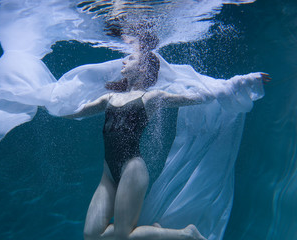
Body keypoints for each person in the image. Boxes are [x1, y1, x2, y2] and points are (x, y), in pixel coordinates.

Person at [64, 46, 270, 240]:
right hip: (108, 173)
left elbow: (199, 96)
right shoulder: (109, 97)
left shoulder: (152, 97)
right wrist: (42, 99)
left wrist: (243, 82)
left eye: (131, 58)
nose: (124, 61)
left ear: (144, 68)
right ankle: (154, 232)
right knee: (91, 235)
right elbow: (74, 113)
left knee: (123, 236)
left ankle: (185, 234)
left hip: (132, 169)